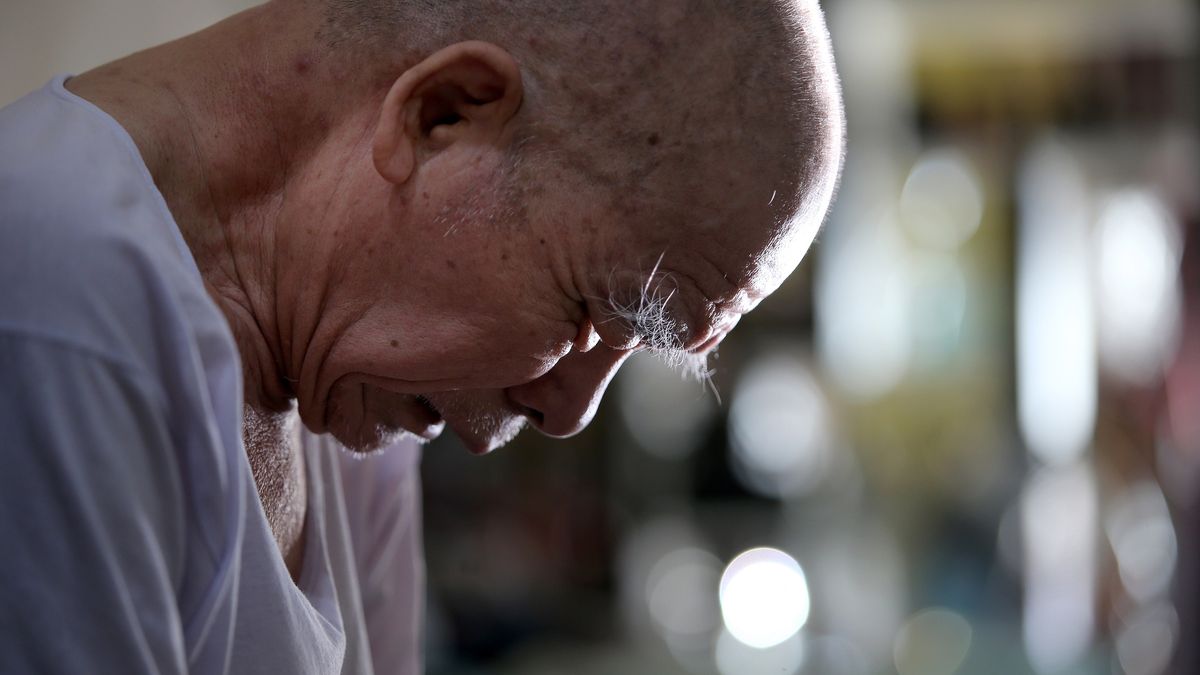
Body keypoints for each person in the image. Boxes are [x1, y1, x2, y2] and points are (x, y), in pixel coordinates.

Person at [0, 0, 843, 672]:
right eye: (591, 311)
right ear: (442, 114)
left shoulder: (360, 390)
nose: (569, 412)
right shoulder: (50, 295)